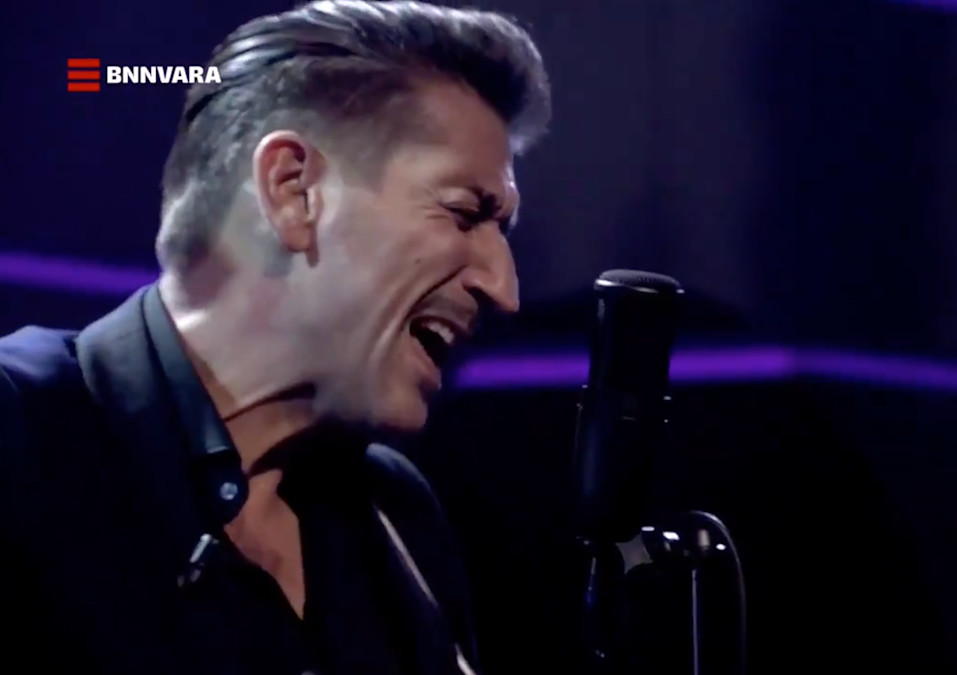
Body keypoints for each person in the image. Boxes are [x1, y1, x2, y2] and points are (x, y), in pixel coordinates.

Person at [0, 1, 551, 673]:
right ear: (294, 191)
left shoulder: (398, 518)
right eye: (464, 212)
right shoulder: (19, 435)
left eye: (503, 231)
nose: (503, 287)